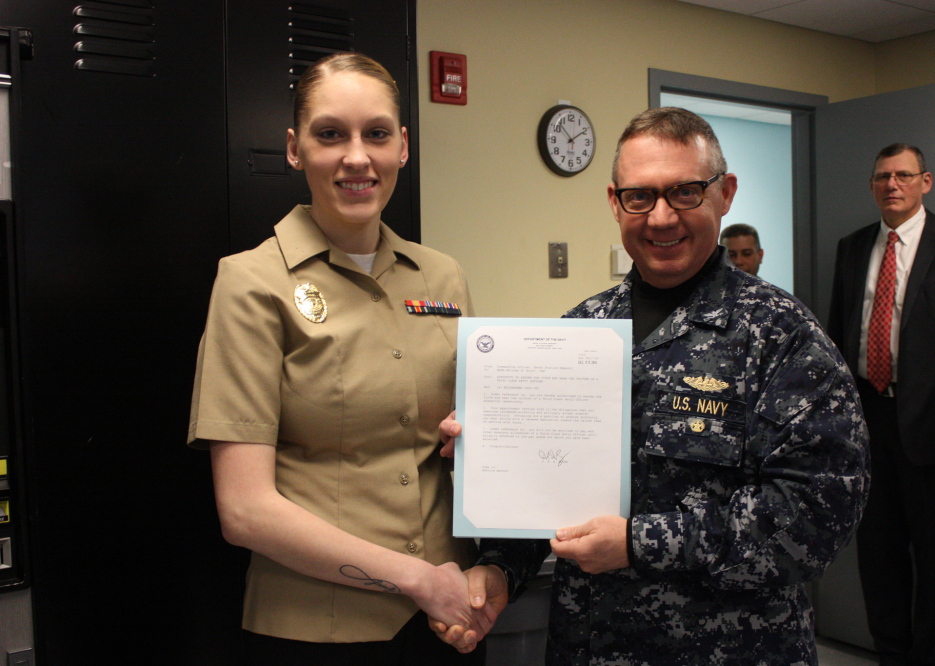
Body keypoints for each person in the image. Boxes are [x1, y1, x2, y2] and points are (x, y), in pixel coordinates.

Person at [433, 107, 870, 665]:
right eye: (640, 197)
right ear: (615, 202)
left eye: (685, 192)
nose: (662, 217)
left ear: (725, 192)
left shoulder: (781, 335)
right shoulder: (578, 334)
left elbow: (816, 513)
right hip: (589, 648)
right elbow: (544, 498)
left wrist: (640, 544)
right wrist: (498, 560)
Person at [187, 52, 492, 665]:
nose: (357, 156)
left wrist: (480, 437)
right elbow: (244, 511)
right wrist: (417, 579)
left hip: (450, 620)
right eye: (331, 134)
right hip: (317, 631)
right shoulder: (252, 283)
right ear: (295, 149)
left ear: (402, 147)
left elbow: (469, 436)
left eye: (376, 133)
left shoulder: (442, 275)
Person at [827, 143, 935, 666]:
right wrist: (837, 423)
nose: (891, 184)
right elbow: (839, 335)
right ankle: (892, 655)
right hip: (868, 421)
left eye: (903, 175)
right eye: (882, 177)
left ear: (926, 181)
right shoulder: (853, 247)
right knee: (878, 557)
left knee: (933, 557)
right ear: (873, 185)